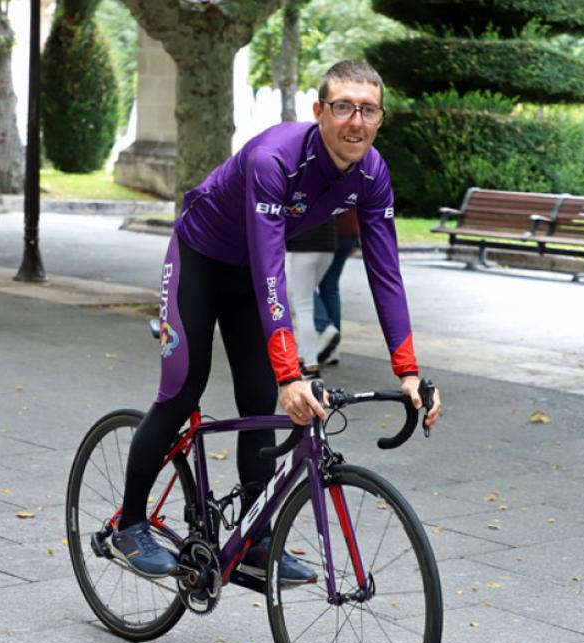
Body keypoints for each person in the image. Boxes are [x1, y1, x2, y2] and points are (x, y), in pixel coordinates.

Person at [107, 60, 442, 580]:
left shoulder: (373, 173)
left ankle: (256, 538)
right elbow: (271, 268)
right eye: (343, 107)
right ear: (319, 112)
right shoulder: (275, 159)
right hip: (199, 259)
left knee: (259, 400)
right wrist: (292, 372)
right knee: (183, 389)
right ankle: (129, 526)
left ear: (380, 118)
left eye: (368, 110)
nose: (356, 121)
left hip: (246, 277)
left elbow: (386, 274)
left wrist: (408, 371)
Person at [284, 217, 336, 377]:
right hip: (327, 248)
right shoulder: (330, 191)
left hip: (302, 248)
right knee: (305, 301)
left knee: (302, 305)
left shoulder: (297, 192)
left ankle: (309, 364)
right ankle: (304, 358)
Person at [314, 208, 359, 365]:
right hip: (349, 230)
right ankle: (332, 350)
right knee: (330, 288)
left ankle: (324, 327)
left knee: (300, 283)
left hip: (325, 230)